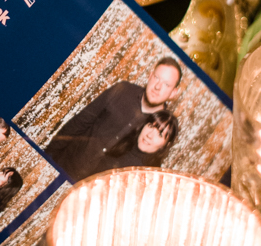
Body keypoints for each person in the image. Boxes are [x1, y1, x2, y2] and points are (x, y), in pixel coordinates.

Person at [45, 57, 182, 182]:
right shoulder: (122, 91)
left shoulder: (162, 129)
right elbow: (80, 122)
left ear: (173, 92)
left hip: (90, 194)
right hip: (65, 167)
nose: (157, 87)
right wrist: (49, 156)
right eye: (157, 78)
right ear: (150, 75)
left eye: (166, 85)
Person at [93, 109, 178, 174]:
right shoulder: (120, 144)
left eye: (160, 134)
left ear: (165, 145)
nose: (150, 135)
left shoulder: (149, 176)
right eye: (151, 126)